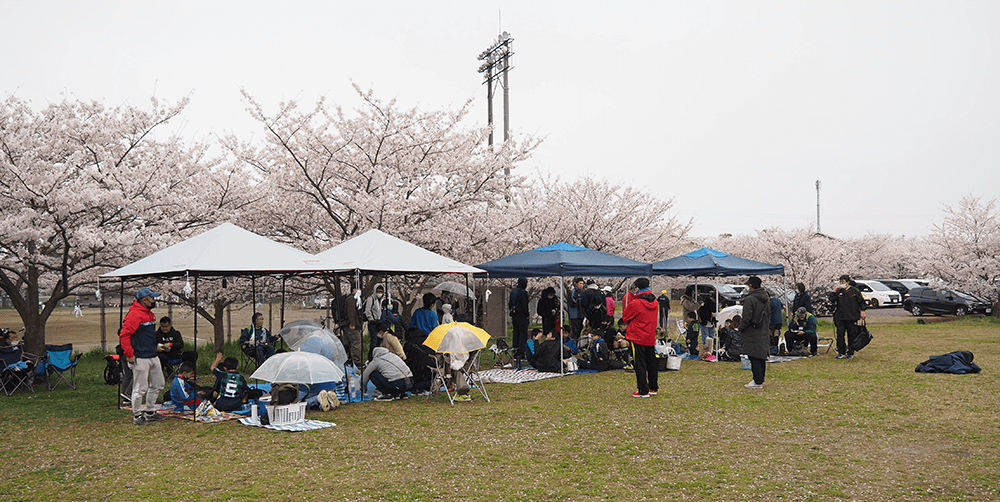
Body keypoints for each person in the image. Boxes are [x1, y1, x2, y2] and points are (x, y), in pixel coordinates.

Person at [120, 287, 166, 425]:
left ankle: (150, 411)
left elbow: (145, 337)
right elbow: (124, 335)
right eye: (152, 298)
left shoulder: (148, 314)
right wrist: (129, 354)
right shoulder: (135, 314)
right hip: (140, 357)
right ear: (145, 300)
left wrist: (156, 347)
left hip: (152, 354)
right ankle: (137, 415)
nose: (154, 300)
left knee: (158, 383)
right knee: (140, 387)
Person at [622, 277, 658, 398]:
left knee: (640, 363)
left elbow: (626, 317)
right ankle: (653, 387)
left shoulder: (636, 303)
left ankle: (643, 389)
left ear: (637, 288)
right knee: (651, 362)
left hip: (637, 336)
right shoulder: (655, 302)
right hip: (650, 336)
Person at [739, 277, 770, 389]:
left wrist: (741, 328)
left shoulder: (750, 299)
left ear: (751, 286)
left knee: (754, 356)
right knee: (761, 356)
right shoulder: (766, 298)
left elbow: (746, 317)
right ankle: (760, 379)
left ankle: (757, 381)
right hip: (763, 330)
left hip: (752, 331)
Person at [830, 274, 866, 360]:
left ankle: (850, 352)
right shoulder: (839, 292)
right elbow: (831, 299)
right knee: (840, 335)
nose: (842, 283)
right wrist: (834, 291)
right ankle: (841, 352)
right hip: (840, 317)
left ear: (848, 282)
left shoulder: (855, 291)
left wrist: (863, 311)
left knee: (851, 335)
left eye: (843, 281)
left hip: (852, 316)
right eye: (840, 281)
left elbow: (861, 302)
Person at [339, 287, 364, 370]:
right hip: (351, 325)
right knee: (356, 342)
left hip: (346, 324)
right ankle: (357, 361)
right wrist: (352, 323)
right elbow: (351, 311)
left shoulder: (354, 298)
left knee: (347, 342)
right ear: (354, 289)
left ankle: (348, 359)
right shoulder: (352, 299)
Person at [508, 277, 530, 357]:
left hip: (514, 316)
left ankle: (515, 351)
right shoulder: (523, 292)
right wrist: (527, 315)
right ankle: (521, 352)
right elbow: (525, 306)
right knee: (522, 334)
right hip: (522, 316)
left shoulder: (513, 291)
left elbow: (510, 304)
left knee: (515, 333)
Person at [363, 285, 385, 360]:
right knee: (374, 340)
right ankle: (371, 357)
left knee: (380, 340)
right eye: (378, 291)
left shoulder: (382, 300)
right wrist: (371, 319)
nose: (379, 293)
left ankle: (378, 356)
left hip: (380, 323)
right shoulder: (371, 299)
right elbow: (367, 311)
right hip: (373, 323)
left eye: (381, 292)